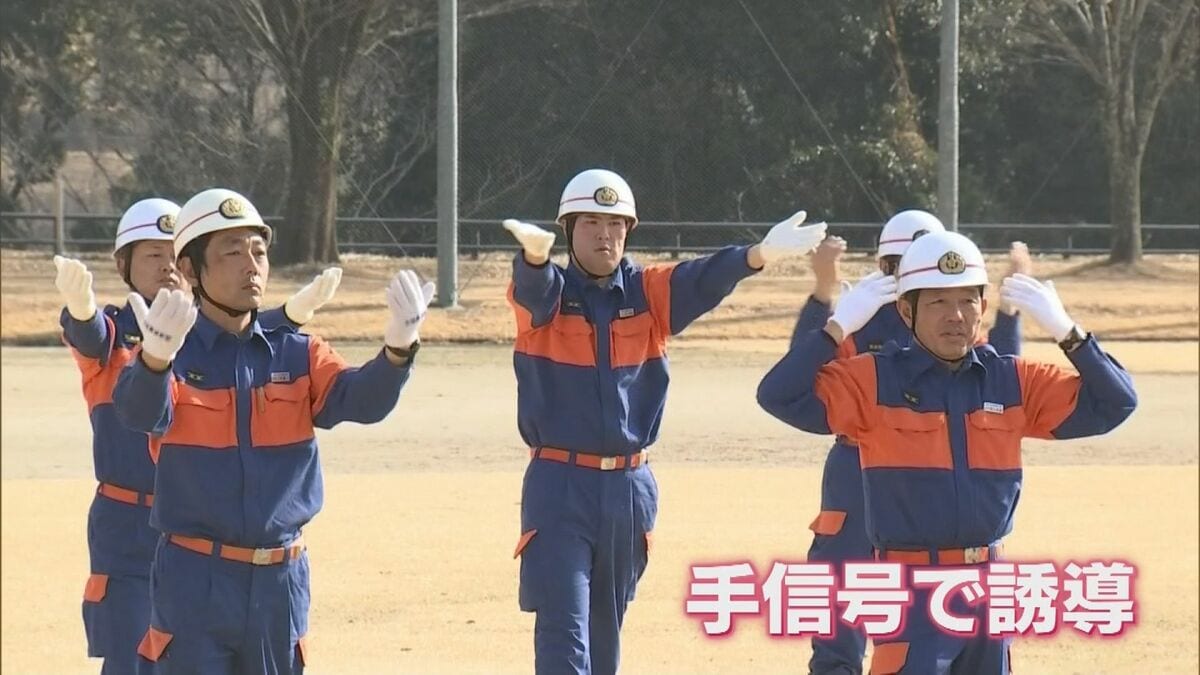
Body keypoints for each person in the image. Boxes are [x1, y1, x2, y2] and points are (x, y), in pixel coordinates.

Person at [757, 230, 1137, 674]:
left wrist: (1069, 333)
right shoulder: (873, 380)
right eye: (938, 302)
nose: (955, 315)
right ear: (907, 310)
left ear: (983, 305)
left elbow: (1116, 403)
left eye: (967, 301)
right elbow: (779, 394)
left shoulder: (1011, 381)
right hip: (913, 590)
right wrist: (836, 326)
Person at [502, 168, 827, 674]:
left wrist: (757, 255)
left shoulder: (648, 292)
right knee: (563, 634)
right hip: (560, 485)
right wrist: (534, 260)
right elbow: (533, 291)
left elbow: (702, 278)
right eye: (590, 223)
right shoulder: (549, 297)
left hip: (630, 488)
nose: (605, 235)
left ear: (629, 231)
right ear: (568, 229)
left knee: (605, 637)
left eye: (615, 224)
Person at [110, 188, 430, 673]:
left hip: (280, 580)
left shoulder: (298, 352)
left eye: (258, 252)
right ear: (191, 269)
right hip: (194, 578)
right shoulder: (171, 350)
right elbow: (138, 413)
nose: (252, 266)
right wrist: (155, 360)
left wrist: (398, 350)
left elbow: (361, 400)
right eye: (232, 253)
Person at [54, 197, 340, 674]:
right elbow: (91, 337)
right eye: (152, 255)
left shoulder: (206, 332)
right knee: (132, 654)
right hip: (130, 523)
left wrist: (291, 313)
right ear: (124, 266)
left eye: (174, 255)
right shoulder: (117, 331)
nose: (167, 266)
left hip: (201, 531)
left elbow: (253, 337)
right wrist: (82, 309)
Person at [788, 210, 1028, 674]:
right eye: (898, 264)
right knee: (840, 591)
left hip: (928, 473)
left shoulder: (951, 324)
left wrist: (1010, 312)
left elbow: (999, 382)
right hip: (855, 471)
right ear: (883, 265)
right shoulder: (860, 317)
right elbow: (798, 379)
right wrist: (825, 298)